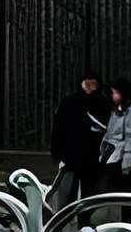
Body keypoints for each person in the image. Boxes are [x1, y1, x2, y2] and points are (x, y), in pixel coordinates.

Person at [48, 72, 112, 202]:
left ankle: (83, 220)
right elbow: (58, 127)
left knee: (88, 193)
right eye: (86, 83)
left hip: (92, 158)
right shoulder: (70, 102)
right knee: (67, 192)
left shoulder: (102, 104)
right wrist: (57, 151)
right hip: (70, 155)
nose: (88, 87)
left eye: (92, 84)